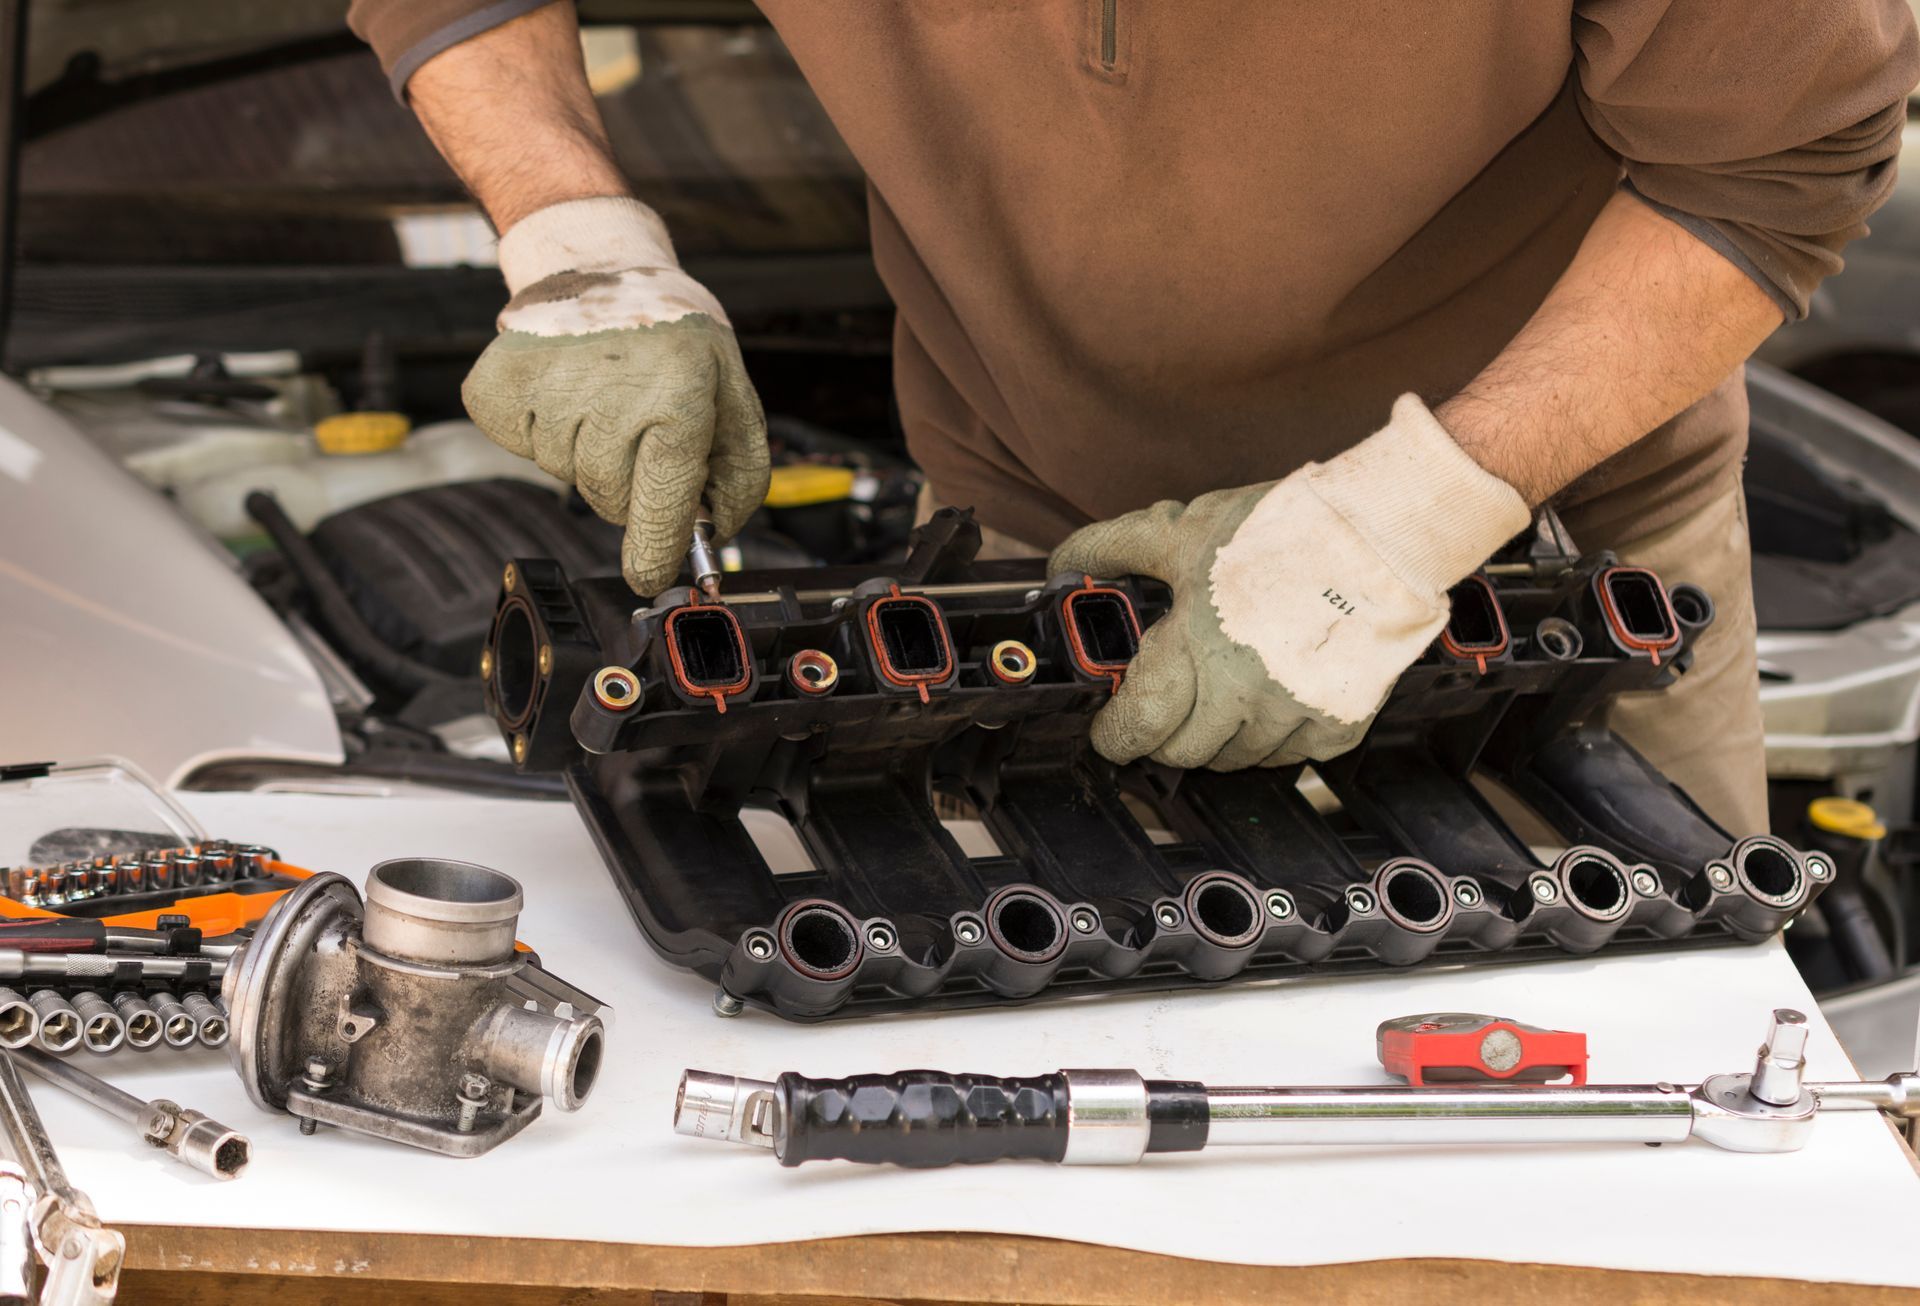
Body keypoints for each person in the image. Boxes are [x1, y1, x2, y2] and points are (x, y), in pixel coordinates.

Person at [350, 0, 1919, 833]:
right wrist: (575, 240)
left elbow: (1769, 160)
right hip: (1035, 536)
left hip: (1545, 564)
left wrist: (1395, 531)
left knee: (1647, 1178)